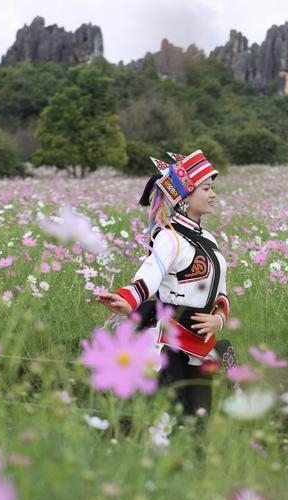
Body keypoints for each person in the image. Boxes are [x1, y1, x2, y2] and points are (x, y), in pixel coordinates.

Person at [97, 149, 234, 415]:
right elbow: (149, 275)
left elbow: (221, 294)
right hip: (168, 344)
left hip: (202, 345)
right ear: (185, 196)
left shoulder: (209, 240)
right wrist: (126, 300)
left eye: (212, 188)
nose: (213, 194)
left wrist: (218, 320)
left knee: (198, 422)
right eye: (206, 188)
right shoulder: (169, 238)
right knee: (164, 417)